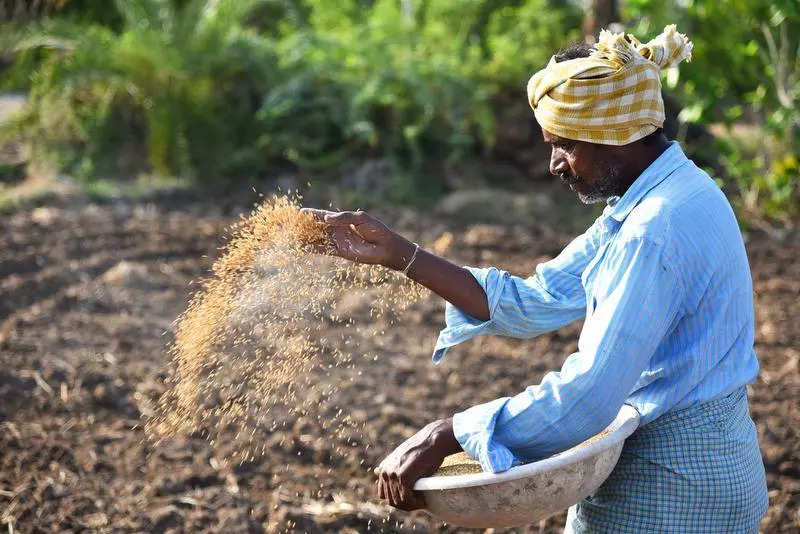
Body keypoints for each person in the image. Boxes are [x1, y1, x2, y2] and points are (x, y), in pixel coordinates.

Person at [303, 25, 768, 532]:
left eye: (564, 145)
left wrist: (448, 433)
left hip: (668, 491)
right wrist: (399, 253)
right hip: (715, 473)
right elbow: (537, 299)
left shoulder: (652, 231)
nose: (554, 165)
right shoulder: (673, 194)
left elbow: (589, 397)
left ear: (612, 134)